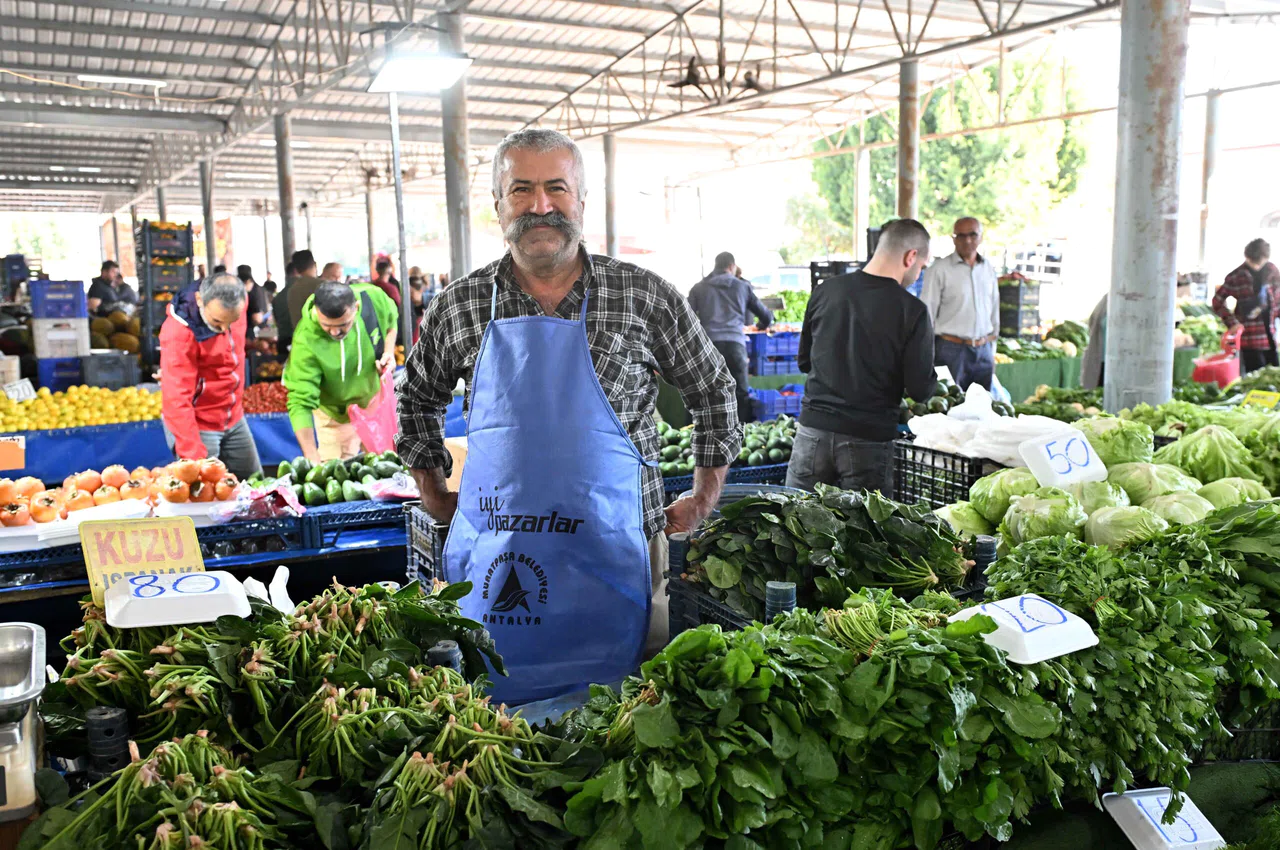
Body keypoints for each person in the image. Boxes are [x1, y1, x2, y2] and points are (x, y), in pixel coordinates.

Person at [396, 128, 741, 706]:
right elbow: (416, 398)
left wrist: (705, 496)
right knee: (497, 720)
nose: (540, 206)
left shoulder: (642, 294)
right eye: (521, 190)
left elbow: (713, 390)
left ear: (581, 198)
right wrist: (432, 488)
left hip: (620, 548)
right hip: (500, 555)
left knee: (630, 715)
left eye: (556, 188)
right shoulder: (460, 303)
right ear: (497, 204)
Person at [786, 218, 935, 494]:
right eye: (922, 267)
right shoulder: (912, 311)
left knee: (796, 528)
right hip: (868, 440)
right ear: (910, 257)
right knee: (862, 534)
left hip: (812, 434)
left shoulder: (825, 291)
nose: (918, 274)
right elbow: (920, 389)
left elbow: (805, 362)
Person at [158, 273, 262, 480]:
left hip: (234, 416)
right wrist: (193, 455)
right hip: (199, 423)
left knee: (256, 485)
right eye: (216, 322)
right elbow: (176, 399)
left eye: (231, 322)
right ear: (199, 300)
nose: (223, 329)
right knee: (207, 493)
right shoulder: (179, 333)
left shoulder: (236, 304)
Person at [282, 280, 398, 462]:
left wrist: (388, 352)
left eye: (343, 325)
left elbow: (391, 321)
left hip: (373, 405)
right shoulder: (305, 341)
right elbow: (300, 402)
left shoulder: (372, 298)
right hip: (334, 417)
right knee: (338, 478)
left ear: (356, 308)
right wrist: (311, 455)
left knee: (386, 466)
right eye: (327, 325)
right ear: (316, 313)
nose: (335, 332)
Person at [687, 251, 773, 423]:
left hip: (708, 346)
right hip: (735, 345)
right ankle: (741, 433)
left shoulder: (699, 288)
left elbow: (685, 318)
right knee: (740, 391)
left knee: (703, 391)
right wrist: (760, 326)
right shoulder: (742, 287)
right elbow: (766, 317)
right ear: (732, 266)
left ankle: (700, 430)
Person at [920, 217, 999, 390]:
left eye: (972, 234)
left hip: (983, 349)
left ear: (981, 237)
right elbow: (927, 313)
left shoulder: (988, 268)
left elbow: (994, 308)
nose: (967, 240)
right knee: (949, 408)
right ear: (954, 239)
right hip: (950, 351)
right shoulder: (939, 269)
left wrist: (991, 346)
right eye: (961, 236)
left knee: (983, 408)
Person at [1212, 238, 1280, 373]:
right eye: (1252, 261)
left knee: (1274, 378)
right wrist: (1232, 323)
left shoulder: (1272, 271)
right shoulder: (1236, 276)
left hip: (1271, 334)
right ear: (1247, 257)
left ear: (1266, 258)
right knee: (1255, 378)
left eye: (1260, 261)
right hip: (1250, 337)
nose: (1256, 265)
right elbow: (1217, 302)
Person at [286, 250, 323, 331]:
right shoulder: (322, 285)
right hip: (320, 339)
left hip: (300, 339)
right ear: (315, 264)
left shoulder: (292, 290)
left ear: (296, 269)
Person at [272, 260, 297, 358]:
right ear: (296, 271)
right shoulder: (305, 293)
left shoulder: (278, 297)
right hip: (298, 344)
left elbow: (276, 322)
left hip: (283, 343)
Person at [238, 264, 269, 338]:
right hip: (264, 328)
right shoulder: (260, 288)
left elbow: (257, 318)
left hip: (252, 332)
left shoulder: (249, 293)